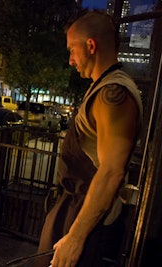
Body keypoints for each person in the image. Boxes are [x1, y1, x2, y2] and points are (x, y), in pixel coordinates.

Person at [36, 10, 143, 267]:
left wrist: (75, 237)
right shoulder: (103, 88)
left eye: (72, 50)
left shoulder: (113, 94)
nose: (70, 59)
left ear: (91, 45)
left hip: (83, 215)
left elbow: (111, 172)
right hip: (73, 207)